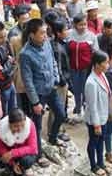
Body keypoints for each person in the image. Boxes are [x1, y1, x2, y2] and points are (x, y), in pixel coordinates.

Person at [20, 18, 65, 167]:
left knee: (61, 114)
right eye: (41, 33)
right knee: (37, 126)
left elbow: (52, 60)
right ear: (32, 35)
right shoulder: (25, 54)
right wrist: (35, 102)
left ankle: (52, 137)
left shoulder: (46, 43)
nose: (45, 36)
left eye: (45, 32)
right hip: (38, 94)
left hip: (51, 88)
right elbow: (27, 80)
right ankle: (38, 154)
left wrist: (56, 76)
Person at [0, 108, 38, 176]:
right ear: (9, 124)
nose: (19, 129)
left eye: (22, 125)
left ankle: (22, 169)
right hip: (8, 155)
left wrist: (12, 153)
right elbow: (0, 147)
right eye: (16, 126)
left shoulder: (30, 125)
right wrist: (12, 163)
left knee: (27, 161)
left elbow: (33, 148)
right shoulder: (2, 127)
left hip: (22, 155)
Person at [68, 13, 99, 123]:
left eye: (85, 24)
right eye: (80, 24)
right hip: (73, 69)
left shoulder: (91, 36)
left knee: (87, 90)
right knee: (76, 90)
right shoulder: (69, 34)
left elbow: (96, 52)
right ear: (75, 25)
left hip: (86, 69)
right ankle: (78, 111)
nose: (83, 27)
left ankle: (88, 111)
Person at [85, 50, 111, 176]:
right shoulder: (91, 82)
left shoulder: (102, 75)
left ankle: (101, 163)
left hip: (103, 117)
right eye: (105, 63)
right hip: (95, 119)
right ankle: (93, 166)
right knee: (93, 142)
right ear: (96, 64)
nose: (108, 65)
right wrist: (96, 125)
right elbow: (92, 105)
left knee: (101, 142)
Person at [50, 20, 71, 142]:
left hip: (63, 80)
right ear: (58, 33)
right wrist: (63, 81)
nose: (67, 32)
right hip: (60, 83)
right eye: (65, 30)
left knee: (60, 107)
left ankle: (58, 130)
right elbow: (58, 67)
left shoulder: (61, 43)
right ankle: (54, 132)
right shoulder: (56, 47)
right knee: (58, 109)